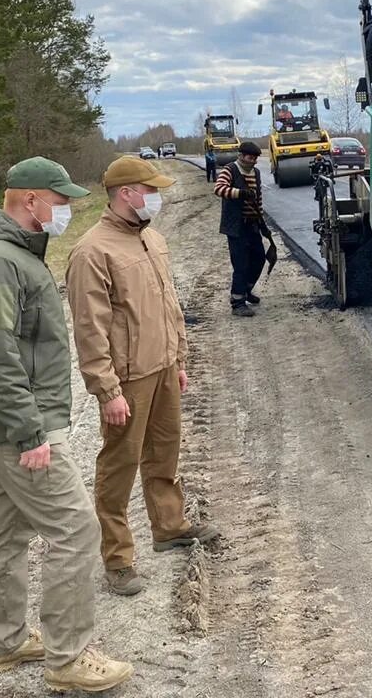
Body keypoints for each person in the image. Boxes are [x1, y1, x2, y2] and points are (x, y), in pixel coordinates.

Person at [0, 156, 132, 693]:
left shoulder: (16, 254)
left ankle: (5, 643)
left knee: (5, 530)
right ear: (31, 200)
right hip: (19, 428)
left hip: (16, 422)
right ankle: (68, 657)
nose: (70, 209)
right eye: (62, 200)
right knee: (75, 529)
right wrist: (30, 431)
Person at [65, 154, 220, 597]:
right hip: (128, 379)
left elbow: (170, 306)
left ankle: (169, 527)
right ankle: (117, 559)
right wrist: (107, 390)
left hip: (164, 368)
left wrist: (179, 359)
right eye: (150, 190)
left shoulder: (151, 239)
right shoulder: (92, 251)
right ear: (127, 194)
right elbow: (89, 329)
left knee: (165, 453)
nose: (157, 197)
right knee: (119, 466)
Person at [214, 141, 266, 317]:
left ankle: (246, 289)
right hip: (236, 226)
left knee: (259, 258)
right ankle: (237, 302)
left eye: (255, 158)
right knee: (241, 263)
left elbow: (258, 198)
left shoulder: (256, 172)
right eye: (250, 157)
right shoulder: (230, 170)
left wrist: (261, 222)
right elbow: (219, 189)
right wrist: (240, 193)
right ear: (241, 156)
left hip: (252, 224)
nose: (253, 161)